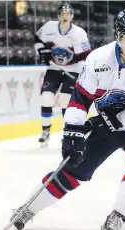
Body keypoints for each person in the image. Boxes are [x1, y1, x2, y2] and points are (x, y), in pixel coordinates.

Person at [11, 9, 125, 230]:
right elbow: (80, 98)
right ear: (117, 35)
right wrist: (72, 131)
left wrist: (110, 121)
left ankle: (118, 216)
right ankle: (29, 208)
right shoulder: (98, 59)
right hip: (106, 126)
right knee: (73, 167)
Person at [35, 2, 91, 146]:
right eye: (62, 13)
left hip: (73, 69)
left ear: (72, 16)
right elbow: (38, 39)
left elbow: (85, 54)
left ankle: (67, 132)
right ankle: (45, 131)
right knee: (46, 97)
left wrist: (67, 61)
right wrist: (42, 52)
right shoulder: (49, 27)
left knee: (66, 100)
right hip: (54, 68)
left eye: (68, 13)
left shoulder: (79, 33)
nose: (65, 16)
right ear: (58, 15)